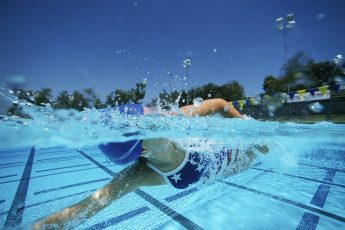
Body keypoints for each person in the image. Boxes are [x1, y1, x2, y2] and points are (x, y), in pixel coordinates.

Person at [32, 98, 268, 229]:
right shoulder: (140, 174)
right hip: (233, 166)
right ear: (143, 149)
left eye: (152, 113)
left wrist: (249, 129)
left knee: (268, 146)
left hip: (240, 144)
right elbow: (90, 205)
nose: (161, 116)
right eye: (151, 121)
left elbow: (217, 104)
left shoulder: (170, 120)